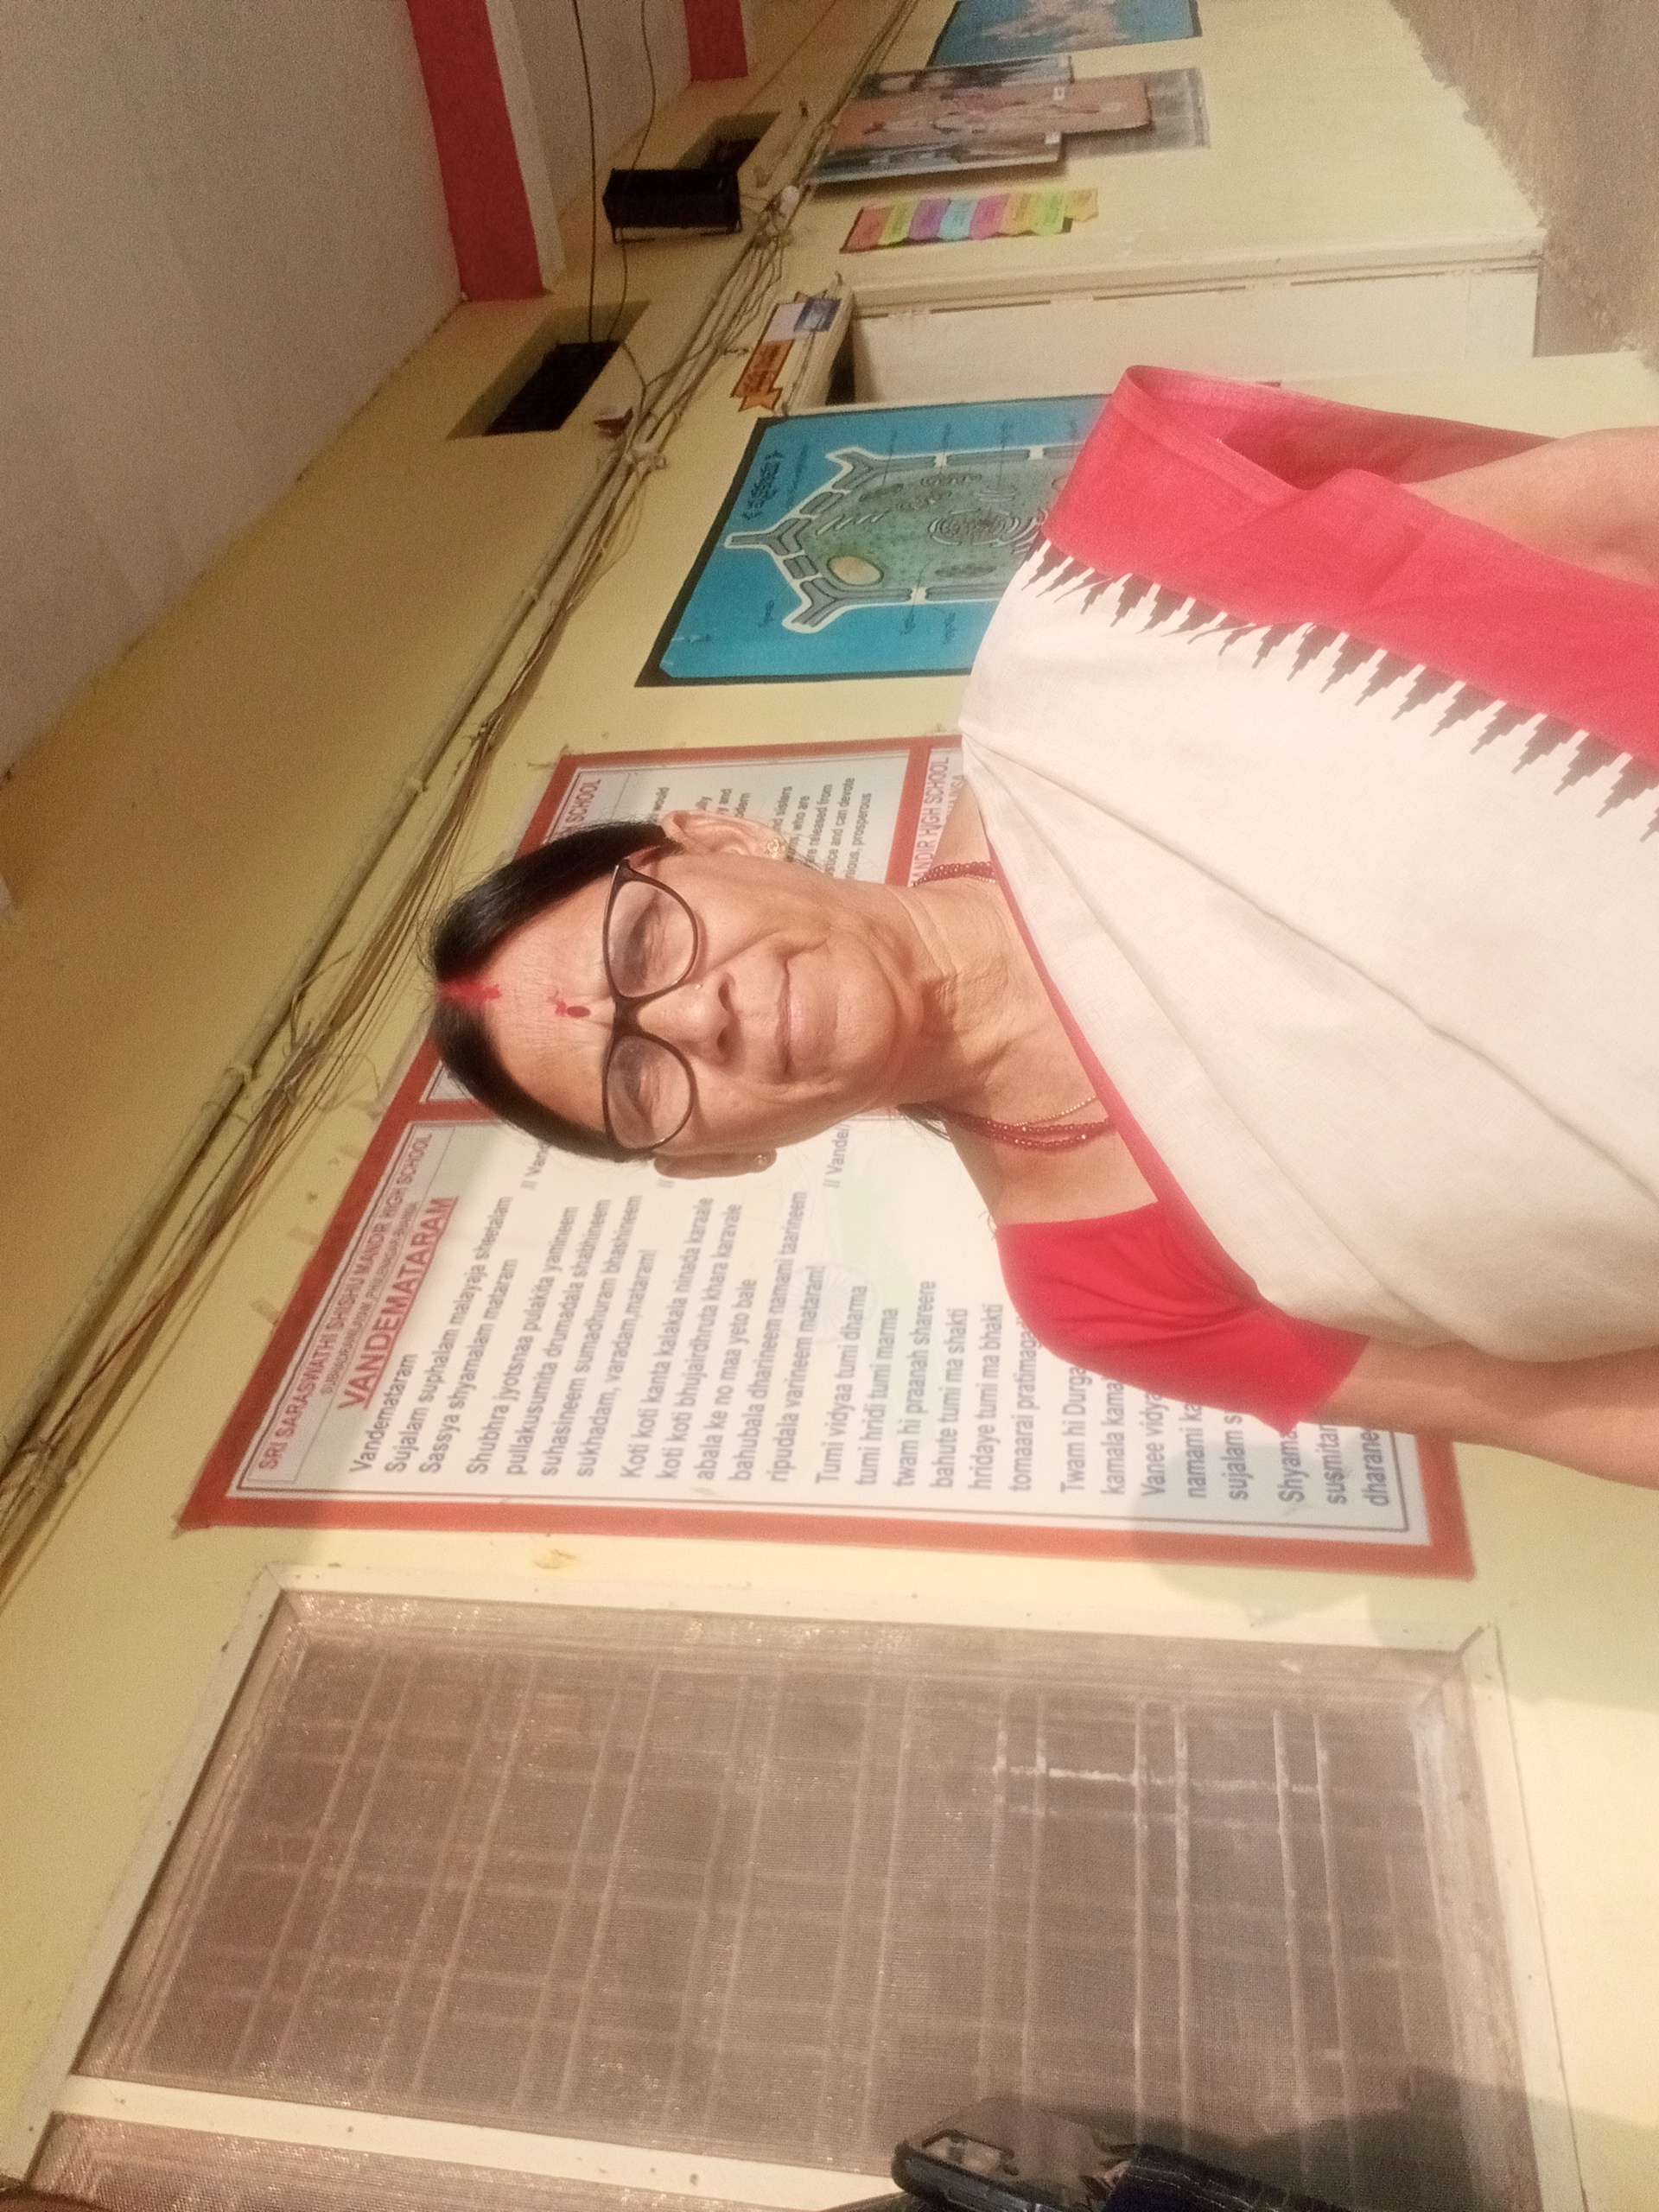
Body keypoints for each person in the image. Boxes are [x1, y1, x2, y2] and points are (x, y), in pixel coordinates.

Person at [429, 367, 1659, 1486]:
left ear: (723, 839)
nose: (696, 1016)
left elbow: (1605, 513)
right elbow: (1551, 1405)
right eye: (639, 1080)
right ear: (711, 1161)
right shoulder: (1097, 1289)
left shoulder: (1096, 665)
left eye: (644, 945)